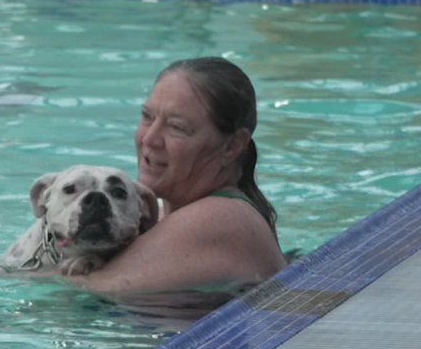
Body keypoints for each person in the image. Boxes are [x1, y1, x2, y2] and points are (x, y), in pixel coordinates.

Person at [69, 57, 287, 306]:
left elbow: (84, 290)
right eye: (147, 117)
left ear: (233, 145)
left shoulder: (221, 216)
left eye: (176, 127)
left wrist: (19, 272)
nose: (149, 139)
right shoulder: (163, 217)